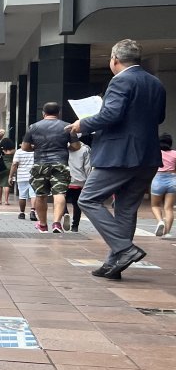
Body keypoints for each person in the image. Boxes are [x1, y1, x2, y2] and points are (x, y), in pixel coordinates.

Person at [69, 39, 167, 279]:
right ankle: (115, 263)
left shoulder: (121, 80)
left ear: (114, 59)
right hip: (147, 156)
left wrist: (83, 123)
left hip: (119, 155)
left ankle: (124, 249)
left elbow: (112, 114)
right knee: (126, 208)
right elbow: (160, 117)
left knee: (88, 199)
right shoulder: (155, 82)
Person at [21, 102, 78, 233]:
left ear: (43, 113)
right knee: (59, 193)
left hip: (40, 164)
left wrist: (35, 148)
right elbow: (76, 146)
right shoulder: (67, 127)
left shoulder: (33, 127)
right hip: (60, 163)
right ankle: (57, 223)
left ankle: (42, 224)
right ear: (59, 113)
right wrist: (65, 147)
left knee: (41, 195)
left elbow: (24, 147)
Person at [152, 134, 176, 237]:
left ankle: (160, 222)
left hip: (158, 179)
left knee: (155, 205)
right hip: (172, 180)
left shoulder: (155, 153)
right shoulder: (175, 154)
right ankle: (167, 233)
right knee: (169, 208)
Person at [66, 139, 91, 233]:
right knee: (76, 204)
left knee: (60, 200)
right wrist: (88, 182)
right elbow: (87, 167)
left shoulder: (65, 148)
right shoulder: (85, 149)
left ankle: (65, 213)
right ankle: (75, 226)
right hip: (80, 181)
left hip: (66, 179)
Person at [11, 146, 37, 221]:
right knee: (34, 194)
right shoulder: (36, 151)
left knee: (22, 196)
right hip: (34, 176)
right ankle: (32, 211)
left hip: (22, 176)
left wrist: (11, 176)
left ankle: (22, 213)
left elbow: (14, 164)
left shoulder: (19, 151)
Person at [0, 131, 13, 204]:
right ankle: (6, 201)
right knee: (7, 184)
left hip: (1, 166)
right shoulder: (13, 151)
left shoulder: (0, 149)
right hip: (9, 166)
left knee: (0, 184)